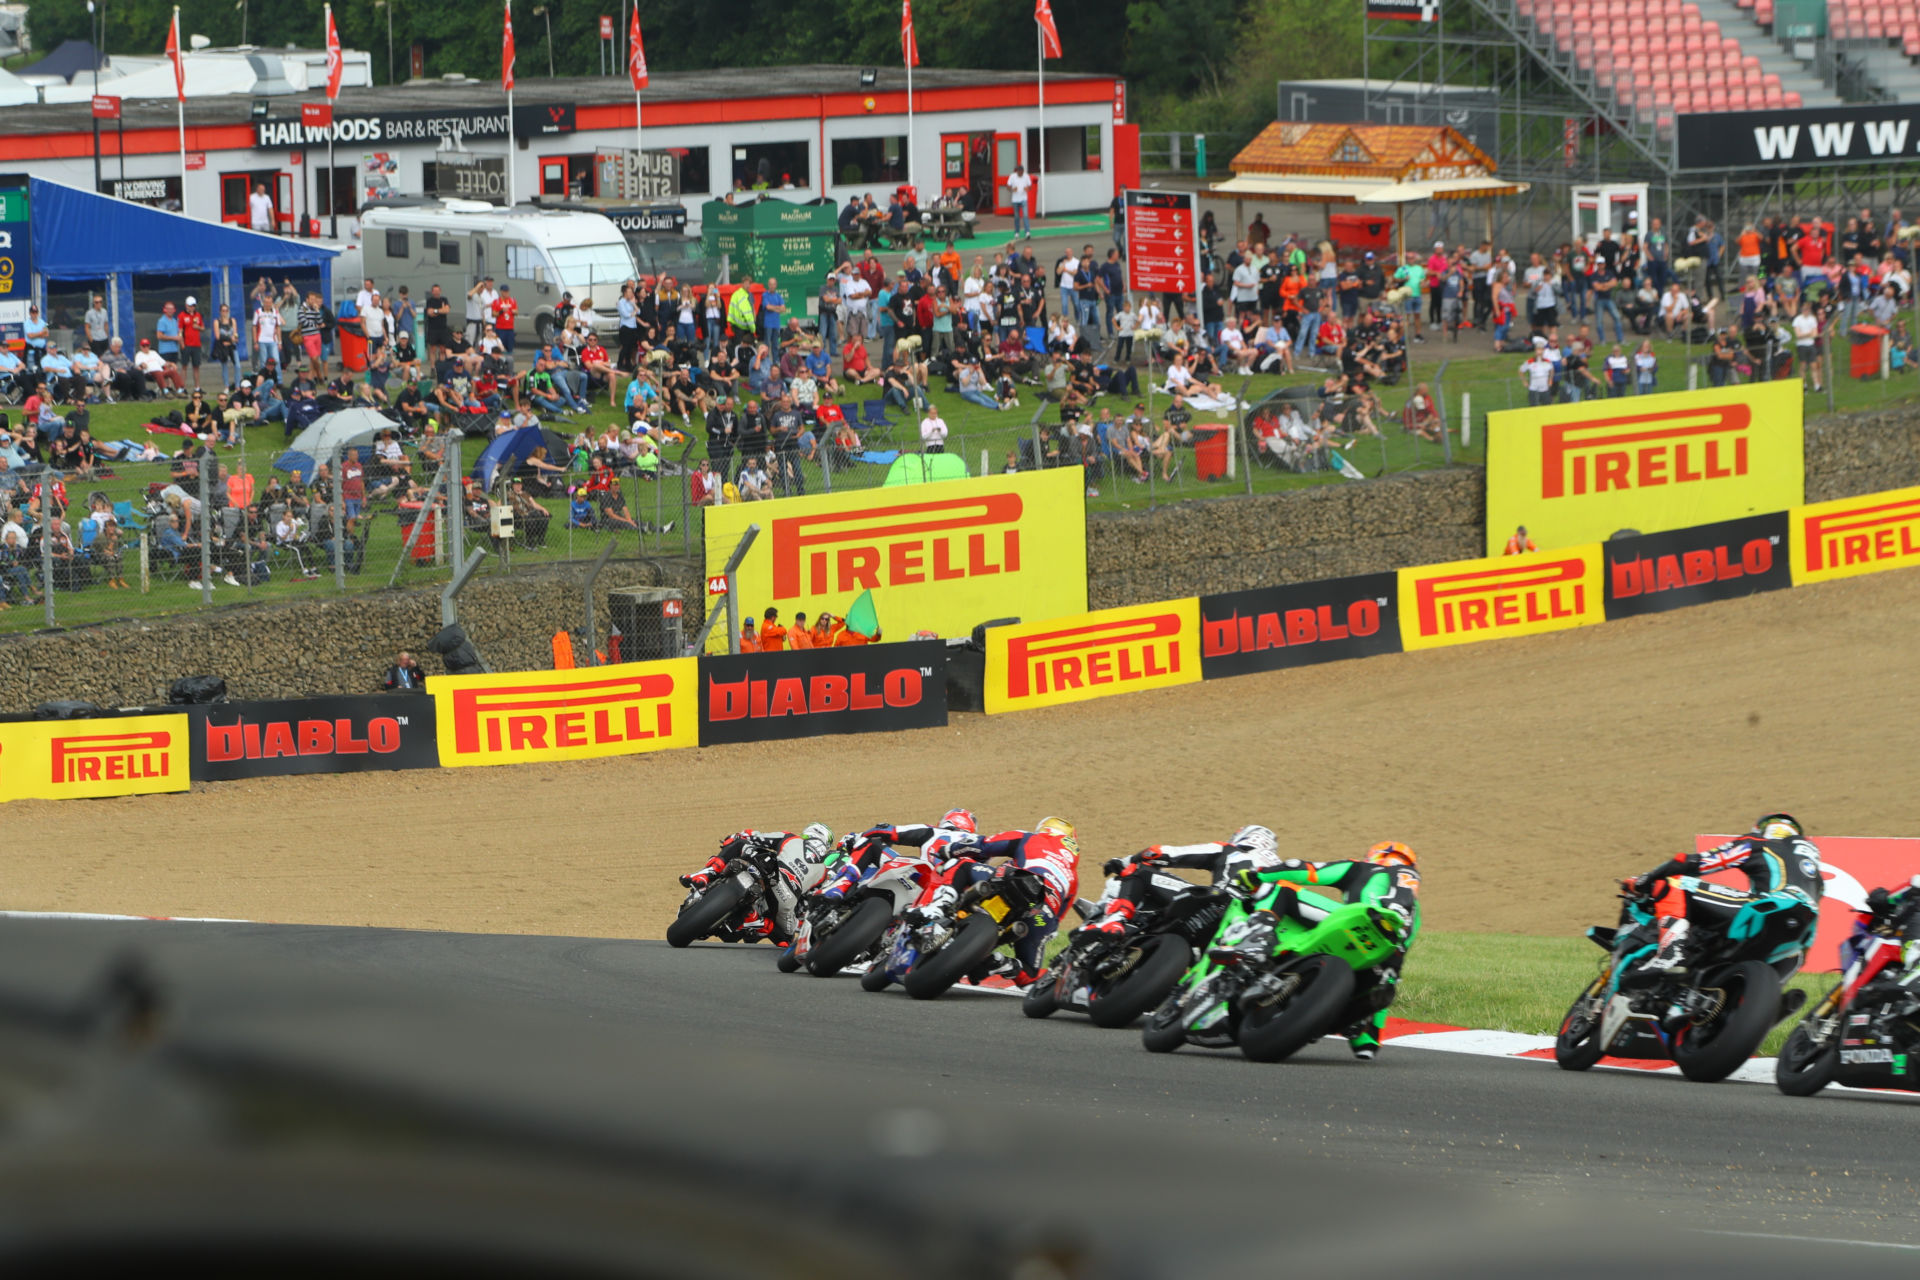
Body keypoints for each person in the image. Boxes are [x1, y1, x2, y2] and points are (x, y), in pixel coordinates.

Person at [1226, 842, 1421, 1060]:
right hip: (1383, 963)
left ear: (1375, 856)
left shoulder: (1365, 868)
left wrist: (1258, 876)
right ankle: (1357, 1029)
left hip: (1356, 920)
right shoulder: (1416, 911)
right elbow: (1397, 961)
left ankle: (1257, 940)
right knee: (1385, 984)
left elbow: (1304, 870)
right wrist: (1372, 1038)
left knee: (1282, 889)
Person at [1625, 814, 1822, 978]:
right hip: (1799, 942)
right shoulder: (1817, 877)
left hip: (1767, 910)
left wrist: (1646, 879)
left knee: (1674, 883)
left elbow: (1697, 863)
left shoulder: (1758, 843)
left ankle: (1670, 955)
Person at [1080, 824, 1283, 938]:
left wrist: (1126, 861)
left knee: (1141, 871)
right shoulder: (1282, 873)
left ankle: (1116, 920)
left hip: (1217, 906)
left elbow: (1161, 853)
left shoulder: (1233, 851)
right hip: (1247, 931)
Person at [676, 825, 837, 941]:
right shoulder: (824, 872)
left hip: (769, 871)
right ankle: (757, 921)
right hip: (786, 899)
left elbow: (753, 837)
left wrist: (735, 837)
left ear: (807, 833)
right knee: (786, 938)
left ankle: (704, 875)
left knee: (738, 844)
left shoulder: (791, 838)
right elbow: (810, 902)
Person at [1006, 164, 1033, 239]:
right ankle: (1017, 232)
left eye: (1021, 171)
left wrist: (1027, 188)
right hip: (1015, 199)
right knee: (1017, 217)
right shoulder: (1012, 176)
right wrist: (1012, 189)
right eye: (1018, 171)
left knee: (1025, 215)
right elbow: (1007, 186)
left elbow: (1030, 186)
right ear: (1017, 171)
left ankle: (1027, 232)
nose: (1019, 173)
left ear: (1023, 171)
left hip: (1023, 198)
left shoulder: (1026, 176)